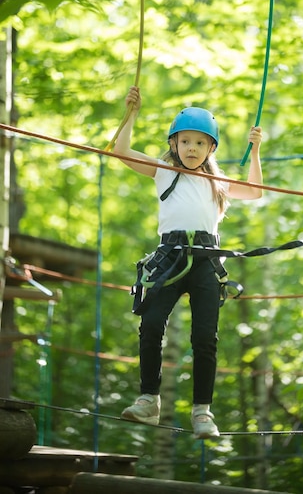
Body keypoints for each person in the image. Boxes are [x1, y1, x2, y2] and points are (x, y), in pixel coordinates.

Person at [114, 85, 263, 439]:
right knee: (151, 325)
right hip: (170, 255)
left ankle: (202, 412)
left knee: (204, 338)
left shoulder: (218, 182)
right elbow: (120, 151)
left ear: (211, 148)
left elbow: (255, 191)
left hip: (206, 261)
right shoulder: (164, 171)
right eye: (185, 142)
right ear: (174, 145)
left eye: (200, 142)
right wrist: (130, 114)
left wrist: (255, 150)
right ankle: (149, 400)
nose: (192, 148)